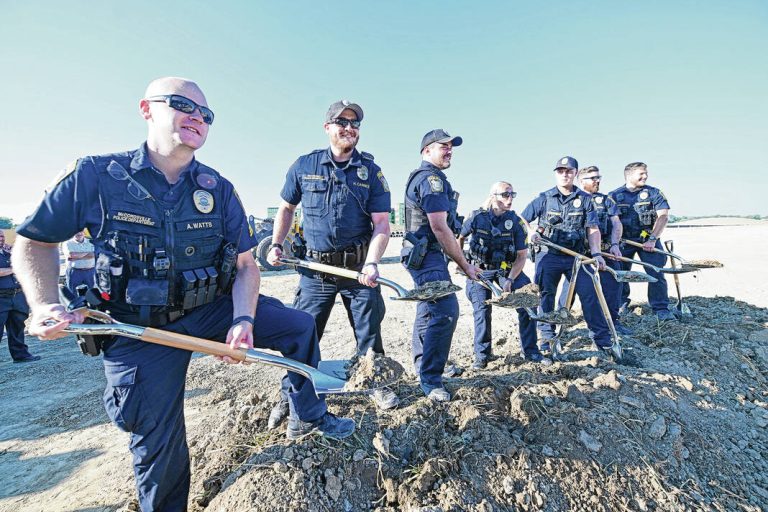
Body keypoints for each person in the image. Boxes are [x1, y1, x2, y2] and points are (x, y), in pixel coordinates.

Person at [12, 77, 354, 512]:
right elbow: (34, 240)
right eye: (182, 105)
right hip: (137, 329)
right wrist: (44, 304)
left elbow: (247, 265)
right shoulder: (94, 176)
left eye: (206, 115)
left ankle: (306, 414)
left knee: (299, 326)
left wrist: (243, 321)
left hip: (212, 309)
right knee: (160, 445)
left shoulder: (218, 188)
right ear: (147, 109)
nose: (197, 117)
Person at [266, 100, 397, 427]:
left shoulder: (371, 172)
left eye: (355, 123)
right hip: (316, 271)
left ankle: (375, 384)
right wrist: (276, 243)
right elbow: (285, 209)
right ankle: (290, 394)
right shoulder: (304, 165)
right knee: (301, 333)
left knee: (369, 333)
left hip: (357, 270)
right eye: (342, 122)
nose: (349, 128)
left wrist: (372, 263)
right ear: (328, 127)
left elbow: (382, 224)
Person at [403, 129, 480, 402]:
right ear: (426, 151)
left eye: (451, 147)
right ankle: (431, 378)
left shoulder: (433, 179)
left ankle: (423, 364)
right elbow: (439, 226)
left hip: (426, 255)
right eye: (442, 147)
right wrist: (465, 263)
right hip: (426, 256)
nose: (449, 151)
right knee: (446, 310)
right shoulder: (431, 180)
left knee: (428, 310)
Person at [521, 156, 615, 357]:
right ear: (556, 173)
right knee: (546, 296)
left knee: (589, 295)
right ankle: (547, 337)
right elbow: (522, 219)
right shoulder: (544, 198)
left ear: (575, 173)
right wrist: (532, 232)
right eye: (560, 171)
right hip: (549, 256)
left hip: (577, 257)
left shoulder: (586, 200)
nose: (564, 174)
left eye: (568, 171)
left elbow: (593, 229)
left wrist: (597, 253)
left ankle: (602, 340)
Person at [458, 182, 550, 368]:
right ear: (493, 196)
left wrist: (510, 279)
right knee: (482, 310)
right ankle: (482, 355)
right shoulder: (477, 217)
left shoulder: (515, 221)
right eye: (505, 195)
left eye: (512, 194)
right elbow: (459, 238)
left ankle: (531, 351)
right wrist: (463, 264)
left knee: (528, 301)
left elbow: (522, 256)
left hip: (507, 269)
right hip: (480, 269)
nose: (510, 199)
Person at [556, 166, 630, 334]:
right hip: (578, 256)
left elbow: (617, 223)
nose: (597, 180)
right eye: (593, 178)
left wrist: (615, 244)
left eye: (598, 177)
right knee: (569, 291)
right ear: (581, 181)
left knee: (613, 286)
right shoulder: (570, 201)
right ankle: (561, 324)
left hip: (603, 253)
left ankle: (612, 322)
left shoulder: (606, 200)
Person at [609, 161, 674, 321]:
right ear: (629, 175)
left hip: (647, 241)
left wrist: (653, 239)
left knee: (656, 272)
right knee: (620, 274)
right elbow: (611, 221)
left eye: (646, 173)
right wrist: (614, 243)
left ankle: (661, 308)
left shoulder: (654, 193)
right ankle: (621, 304)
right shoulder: (614, 195)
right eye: (641, 174)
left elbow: (663, 216)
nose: (645, 176)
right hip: (624, 242)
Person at [0, 232, 39, 363]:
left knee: (17, 327)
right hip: (1, 298)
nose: (1, 238)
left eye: (2, 236)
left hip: (16, 296)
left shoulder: (8, 253)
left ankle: (21, 355)